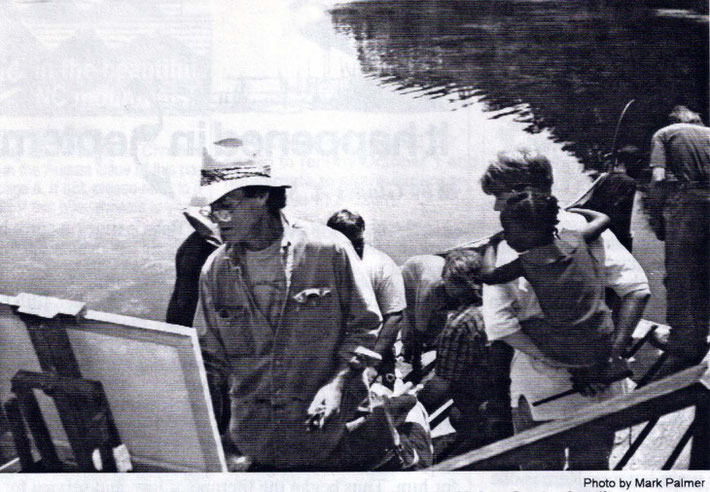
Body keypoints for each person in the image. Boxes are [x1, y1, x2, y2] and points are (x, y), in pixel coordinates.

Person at [192, 138, 383, 471]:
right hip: (257, 439)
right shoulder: (214, 269)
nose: (217, 219)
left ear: (262, 195)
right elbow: (212, 360)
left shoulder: (329, 249)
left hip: (333, 434)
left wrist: (336, 385)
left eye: (226, 206)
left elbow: (364, 327)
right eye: (212, 210)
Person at [479, 148, 650, 470]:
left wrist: (556, 362)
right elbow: (637, 291)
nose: (495, 205)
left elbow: (501, 327)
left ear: (519, 191)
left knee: (541, 476)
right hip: (602, 383)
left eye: (498, 196)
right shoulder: (581, 232)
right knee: (592, 469)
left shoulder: (507, 245)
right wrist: (610, 356)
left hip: (541, 389)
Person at [477, 192, 617, 369]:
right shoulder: (575, 238)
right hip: (604, 334)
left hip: (569, 349)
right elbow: (603, 218)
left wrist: (492, 244)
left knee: (521, 321)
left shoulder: (527, 263)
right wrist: (579, 211)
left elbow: (487, 275)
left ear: (526, 233)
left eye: (509, 232)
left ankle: (572, 368)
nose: (508, 238)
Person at [648, 105, 710, 374]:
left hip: (690, 204)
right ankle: (703, 332)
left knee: (680, 273)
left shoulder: (665, 134)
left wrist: (657, 216)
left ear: (673, 120)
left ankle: (682, 339)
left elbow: (659, 179)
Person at [435, 249, 513, 449]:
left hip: (482, 409)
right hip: (511, 399)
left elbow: (442, 384)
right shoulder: (505, 305)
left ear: (454, 284)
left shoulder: (459, 325)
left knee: (456, 416)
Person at [326, 210, 407, 383]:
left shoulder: (382, 264)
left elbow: (394, 318)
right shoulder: (321, 265)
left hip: (371, 354)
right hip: (331, 356)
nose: (354, 250)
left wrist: (373, 364)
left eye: (357, 243)